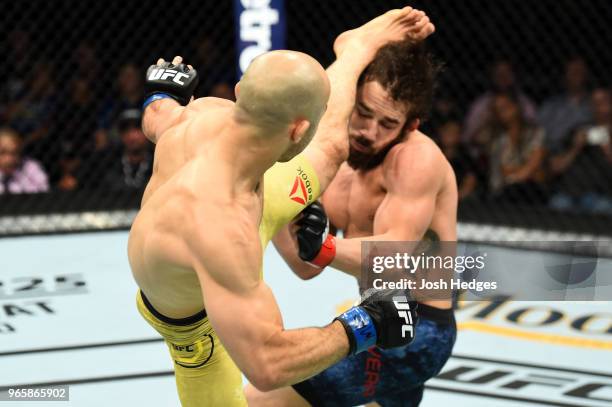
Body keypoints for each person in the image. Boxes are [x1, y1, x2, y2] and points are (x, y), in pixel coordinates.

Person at [129, 9, 429, 403]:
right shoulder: (223, 234)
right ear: (298, 129)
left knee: (331, 149)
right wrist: (364, 325)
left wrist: (160, 92)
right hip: (194, 322)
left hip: (246, 191)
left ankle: (355, 48)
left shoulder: (200, 114)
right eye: (318, 118)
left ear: (239, 92)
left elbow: (158, 114)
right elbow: (267, 365)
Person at [247, 40, 457, 406]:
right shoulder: (340, 158)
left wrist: (324, 247)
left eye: (388, 123)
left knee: (256, 400)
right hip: (378, 315)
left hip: (416, 332)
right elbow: (304, 265)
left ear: (410, 126)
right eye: (363, 112)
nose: (369, 131)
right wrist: (268, 195)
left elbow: (396, 254)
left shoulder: (416, 160)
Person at [0, 127, 49, 194]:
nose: (9, 159)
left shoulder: (30, 167)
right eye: (3, 152)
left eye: (14, 153)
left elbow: (43, 189)